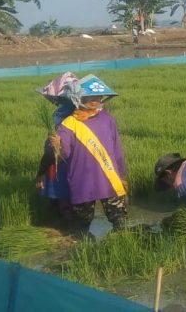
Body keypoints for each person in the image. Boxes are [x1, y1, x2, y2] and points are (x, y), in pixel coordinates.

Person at [51, 74, 129, 234]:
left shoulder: (107, 119)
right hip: (83, 179)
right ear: (79, 97)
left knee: (120, 221)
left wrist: (121, 175)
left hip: (109, 176)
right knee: (82, 225)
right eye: (89, 96)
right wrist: (55, 146)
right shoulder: (68, 124)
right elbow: (64, 154)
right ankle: (84, 252)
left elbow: (117, 149)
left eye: (98, 96)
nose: (94, 100)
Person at [34, 72, 79, 225]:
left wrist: (40, 174)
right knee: (72, 202)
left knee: (62, 203)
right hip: (77, 166)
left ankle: (65, 231)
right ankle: (74, 233)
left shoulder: (61, 116)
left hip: (59, 167)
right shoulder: (81, 114)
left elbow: (51, 151)